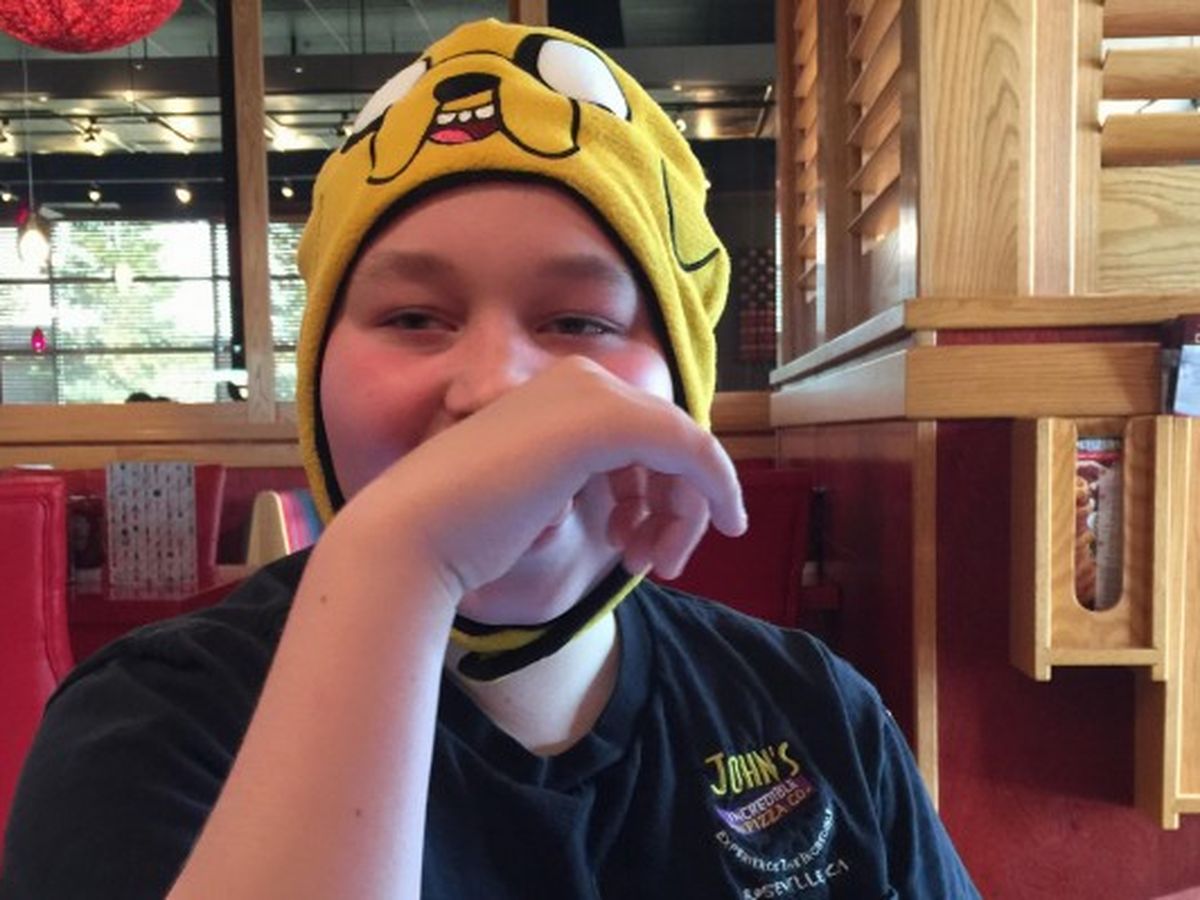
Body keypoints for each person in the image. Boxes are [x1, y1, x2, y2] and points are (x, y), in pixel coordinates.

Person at [0, 19, 978, 899]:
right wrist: (398, 563)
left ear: (682, 386)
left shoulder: (816, 711)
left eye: (578, 322)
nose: (494, 392)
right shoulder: (148, 726)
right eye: (413, 317)